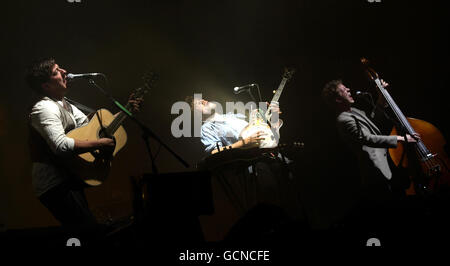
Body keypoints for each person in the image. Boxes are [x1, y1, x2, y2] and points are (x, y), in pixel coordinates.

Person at [25, 58, 119, 228]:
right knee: (88, 232)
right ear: (46, 86)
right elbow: (60, 146)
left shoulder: (65, 105)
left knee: (88, 231)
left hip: (68, 175)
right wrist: (99, 144)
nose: (64, 71)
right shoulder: (44, 108)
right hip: (54, 185)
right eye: (56, 72)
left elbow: (89, 129)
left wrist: (125, 112)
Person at [321, 79, 420, 229]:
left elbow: (374, 121)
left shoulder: (355, 111)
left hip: (387, 167)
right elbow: (367, 138)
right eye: (343, 89)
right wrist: (401, 138)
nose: (348, 89)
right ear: (337, 99)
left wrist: (380, 97)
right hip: (375, 172)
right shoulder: (343, 119)